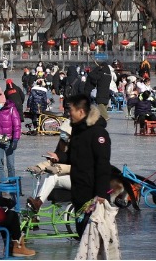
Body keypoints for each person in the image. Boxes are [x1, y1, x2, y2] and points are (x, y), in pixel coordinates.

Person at [65, 94, 111, 237]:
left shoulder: (98, 132)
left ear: (81, 111)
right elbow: (72, 156)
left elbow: (103, 164)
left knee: (93, 238)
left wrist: (101, 193)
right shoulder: (77, 130)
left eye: (70, 110)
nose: (68, 113)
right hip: (79, 192)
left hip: (93, 195)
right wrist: (57, 157)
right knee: (82, 236)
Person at [26, 119, 72, 211]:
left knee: (52, 176)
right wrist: (39, 167)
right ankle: (35, 209)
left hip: (75, 178)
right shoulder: (62, 143)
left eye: (64, 132)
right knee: (42, 178)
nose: (62, 134)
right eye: (61, 132)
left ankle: (38, 204)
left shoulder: (77, 145)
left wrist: (58, 165)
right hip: (64, 175)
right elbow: (54, 160)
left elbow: (72, 162)